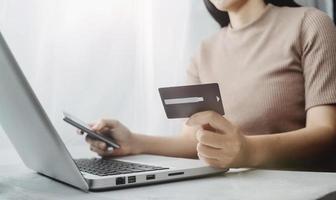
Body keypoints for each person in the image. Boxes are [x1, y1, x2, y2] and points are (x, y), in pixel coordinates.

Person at [83, 0, 336, 169]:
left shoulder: (310, 24)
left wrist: (247, 151)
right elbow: (194, 141)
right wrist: (133, 142)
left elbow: (327, 133)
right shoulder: (204, 51)